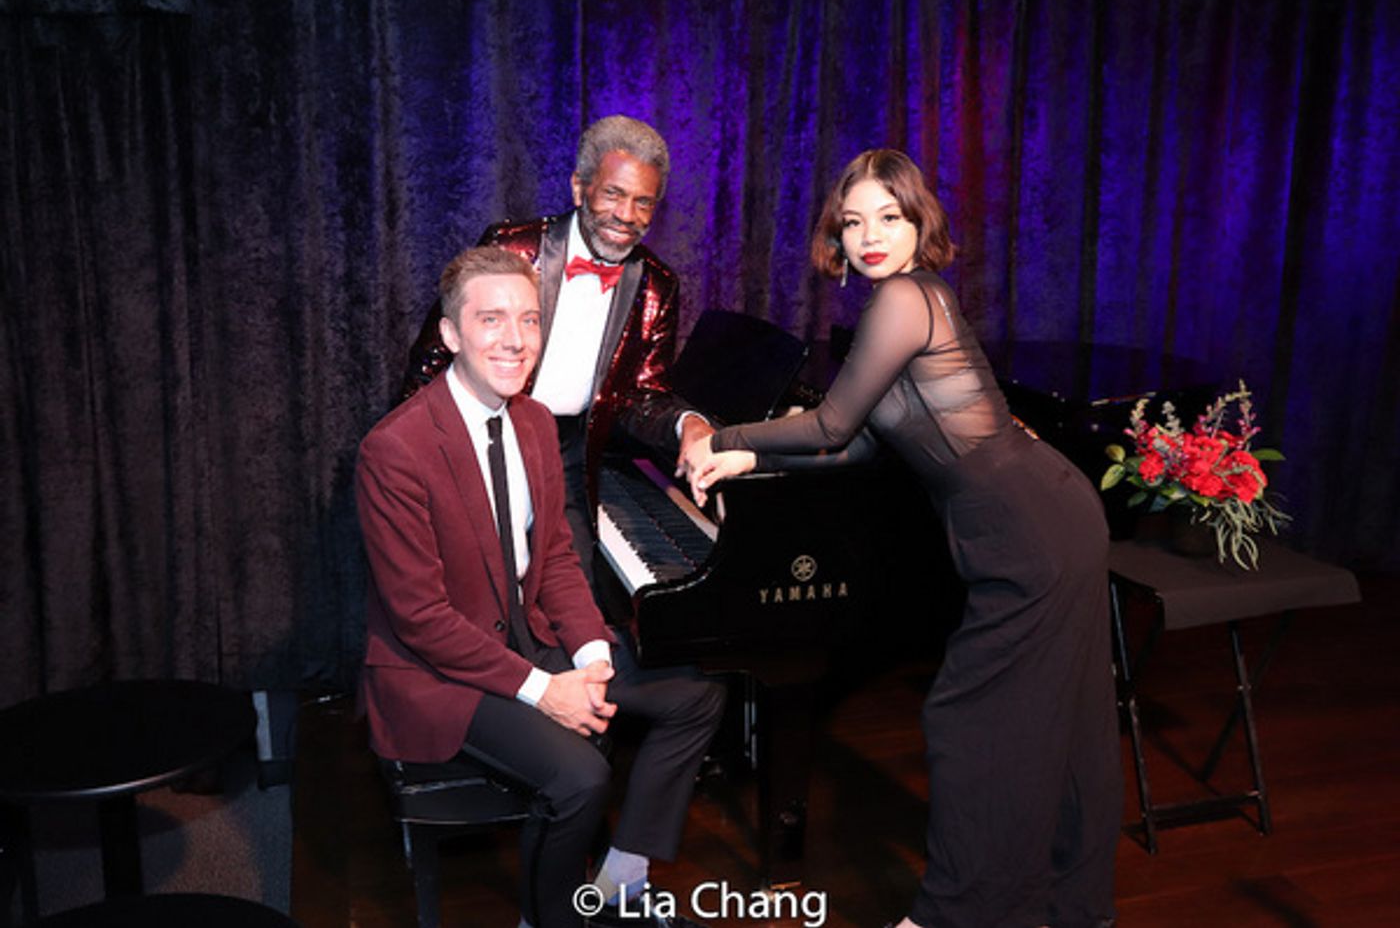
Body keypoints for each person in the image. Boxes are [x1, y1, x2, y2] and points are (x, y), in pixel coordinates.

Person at [685, 150, 1121, 928]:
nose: (869, 236)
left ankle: (951, 913)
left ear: (921, 223)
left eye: (889, 216)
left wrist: (722, 433)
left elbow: (831, 422)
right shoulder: (905, 304)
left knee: (969, 722)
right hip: (1032, 521)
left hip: (1031, 532)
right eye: (853, 222)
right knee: (1068, 720)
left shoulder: (904, 298)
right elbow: (866, 443)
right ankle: (1070, 905)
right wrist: (753, 454)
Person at [359, 246, 724, 928]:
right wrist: (545, 690)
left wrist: (590, 657)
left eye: (529, 319)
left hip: (530, 638)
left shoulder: (532, 422)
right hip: (438, 672)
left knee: (695, 695)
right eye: (491, 319)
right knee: (582, 778)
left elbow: (554, 556)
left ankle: (620, 876)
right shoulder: (395, 449)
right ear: (450, 334)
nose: (516, 339)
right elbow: (420, 618)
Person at [402, 115, 713, 589]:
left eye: (643, 201)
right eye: (613, 193)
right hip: (482, 434)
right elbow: (433, 360)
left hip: (568, 449)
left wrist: (687, 423)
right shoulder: (512, 247)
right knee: (471, 587)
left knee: (572, 590)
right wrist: (416, 464)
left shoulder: (657, 285)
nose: (627, 215)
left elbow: (642, 395)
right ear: (579, 188)